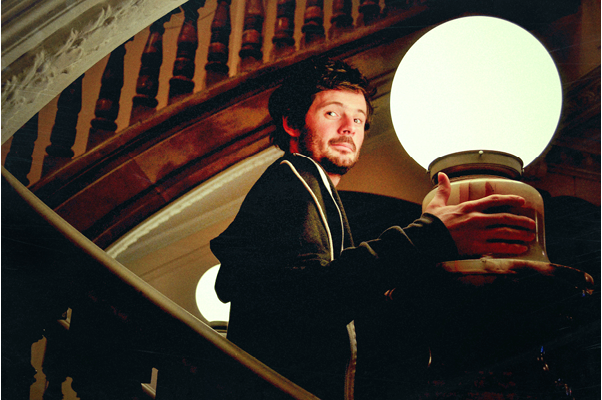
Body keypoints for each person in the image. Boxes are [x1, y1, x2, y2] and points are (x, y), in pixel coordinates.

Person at [209, 58, 535, 399]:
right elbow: (311, 299)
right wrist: (431, 234)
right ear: (292, 123)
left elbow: (331, 307)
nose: (349, 127)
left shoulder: (316, 191)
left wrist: (426, 243)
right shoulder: (293, 178)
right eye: (332, 113)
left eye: (359, 119)